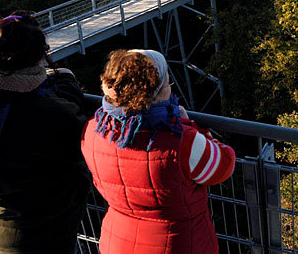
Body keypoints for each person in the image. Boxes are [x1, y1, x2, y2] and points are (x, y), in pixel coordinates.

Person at [0, 11, 91, 254]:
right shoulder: (44, 114)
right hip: (38, 235)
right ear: (37, 58)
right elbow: (76, 131)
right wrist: (67, 84)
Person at [81, 49, 236, 254]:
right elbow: (224, 165)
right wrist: (191, 126)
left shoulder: (94, 129)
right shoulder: (182, 142)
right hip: (178, 245)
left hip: (117, 242)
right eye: (167, 83)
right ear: (157, 91)